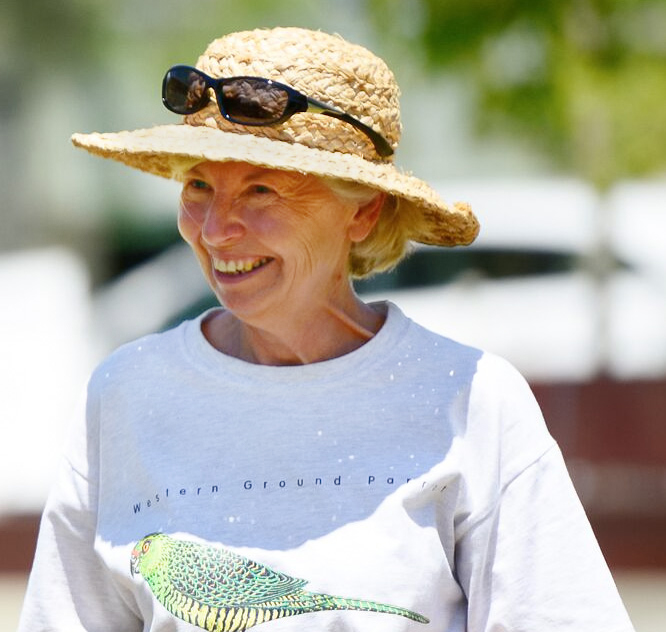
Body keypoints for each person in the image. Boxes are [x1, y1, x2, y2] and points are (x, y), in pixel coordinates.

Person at [19, 27, 634, 632]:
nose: (214, 230)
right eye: (199, 186)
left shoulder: (471, 399)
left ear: (362, 210)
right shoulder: (127, 395)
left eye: (261, 190)